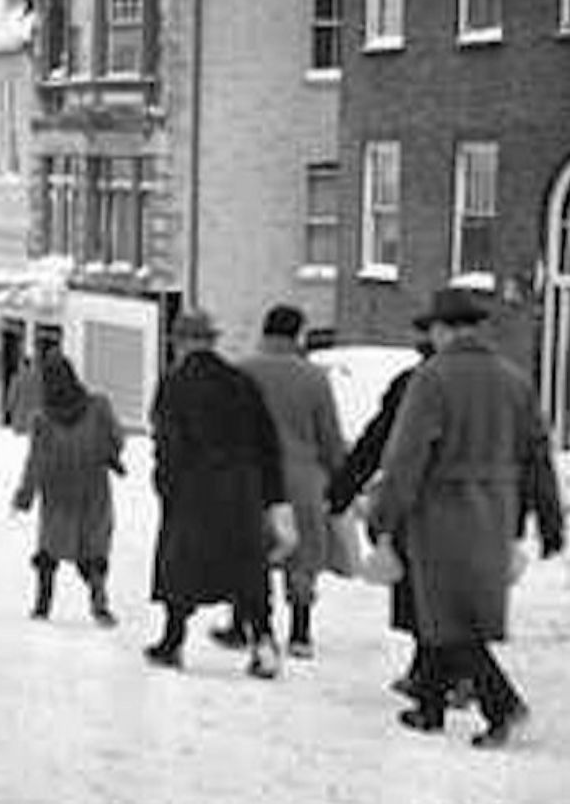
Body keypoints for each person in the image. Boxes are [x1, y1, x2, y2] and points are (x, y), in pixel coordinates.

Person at [367, 288, 565, 748]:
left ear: (444, 329)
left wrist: (384, 515)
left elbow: (406, 455)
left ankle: (502, 705)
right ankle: (430, 705)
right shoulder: (514, 380)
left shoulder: (432, 379)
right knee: (452, 607)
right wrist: (549, 518)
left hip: (440, 507)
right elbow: (538, 453)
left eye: (433, 328)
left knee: (451, 616)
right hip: (495, 508)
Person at [143, 308, 296, 679]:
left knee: (181, 566)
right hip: (243, 488)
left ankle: (172, 640)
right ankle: (263, 641)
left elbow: (168, 442)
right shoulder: (240, 382)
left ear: (180, 342)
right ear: (211, 341)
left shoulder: (175, 384)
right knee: (247, 567)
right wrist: (273, 496)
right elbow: (267, 442)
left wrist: (165, 485)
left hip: (194, 488)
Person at [326, 323, 448, 703]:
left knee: (418, 585)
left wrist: (342, 491)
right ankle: (434, 671)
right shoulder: (488, 383)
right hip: (475, 506)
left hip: (420, 500)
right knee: (445, 590)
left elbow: (379, 442)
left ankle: (437, 675)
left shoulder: (414, 385)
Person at [225, 305, 348, 659]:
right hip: (303, 478)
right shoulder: (314, 378)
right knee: (303, 556)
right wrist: (340, 477)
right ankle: (300, 631)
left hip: (254, 477)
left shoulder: (242, 371)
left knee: (251, 550)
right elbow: (329, 438)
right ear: (297, 335)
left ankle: (242, 623)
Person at [10, 347, 125, 626]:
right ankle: (99, 603)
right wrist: (108, 454)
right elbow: (117, 439)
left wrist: (25, 495)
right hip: (93, 490)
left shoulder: (43, 420)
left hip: (58, 493)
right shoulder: (98, 407)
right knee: (94, 550)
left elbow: (35, 462)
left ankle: (42, 605)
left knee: (49, 551)